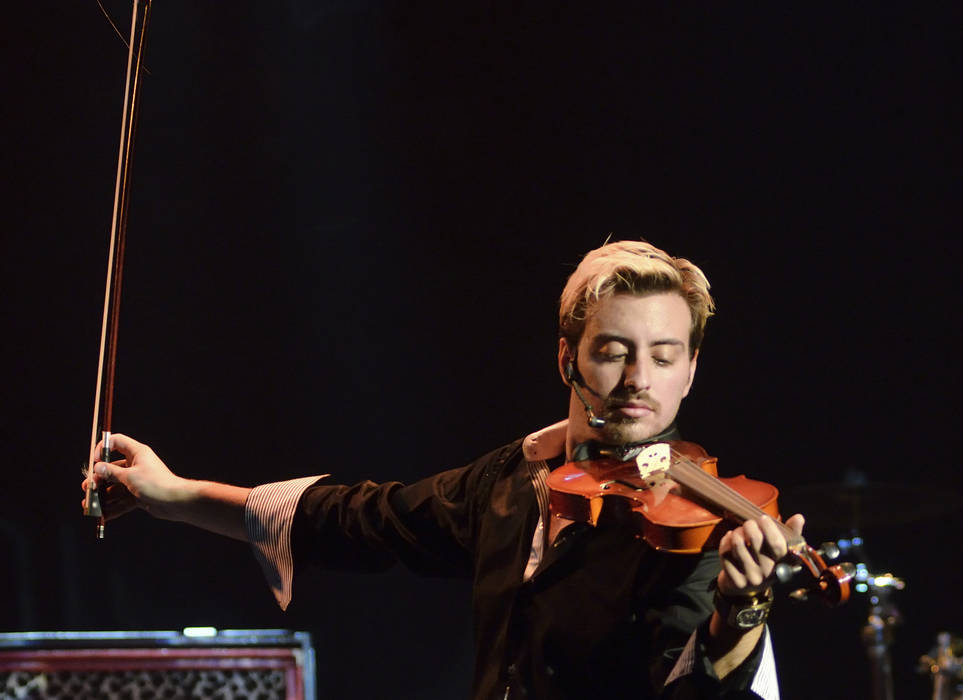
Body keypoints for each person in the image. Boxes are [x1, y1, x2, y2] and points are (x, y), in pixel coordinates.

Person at [83, 241, 804, 699]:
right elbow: (361, 517)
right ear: (568, 360)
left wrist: (738, 612)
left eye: (665, 355)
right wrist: (174, 497)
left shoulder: (695, 528)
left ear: (691, 370)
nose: (639, 378)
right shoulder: (513, 483)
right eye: (614, 351)